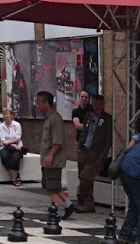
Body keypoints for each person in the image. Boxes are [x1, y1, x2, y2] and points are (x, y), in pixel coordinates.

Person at [37, 91, 75, 219]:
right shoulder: (48, 119)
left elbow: (57, 141)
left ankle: (54, 212)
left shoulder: (55, 119)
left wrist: (50, 155)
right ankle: (68, 204)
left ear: (46, 103)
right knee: (51, 185)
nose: (37, 106)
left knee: (53, 186)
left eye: (39, 103)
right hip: (47, 159)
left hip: (54, 160)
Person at [73, 90, 109, 212]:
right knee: (83, 177)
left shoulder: (107, 119)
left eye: (99, 104)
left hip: (96, 153)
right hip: (84, 149)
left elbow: (108, 139)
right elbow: (83, 130)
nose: (97, 106)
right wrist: (80, 145)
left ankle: (83, 198)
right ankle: (86, 201)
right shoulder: (88, 115)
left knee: (86, 175)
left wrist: (103, 155)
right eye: (95, 104)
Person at [0, 107, 25, 185]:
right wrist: (12, 144)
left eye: (7, 114)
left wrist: (9, 142)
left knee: (15, 158)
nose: (5, 116)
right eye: (4, 114)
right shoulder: (1, 126)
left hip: (18, 147)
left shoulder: (17, 125)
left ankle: (14, 178)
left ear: (12, 115)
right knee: (4, 157)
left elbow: (18, 138)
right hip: (5, 147)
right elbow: (3, 140)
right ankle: (15, 176)